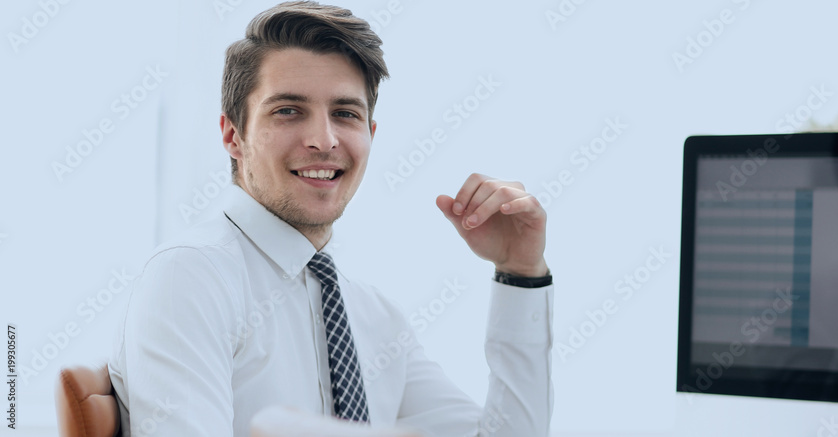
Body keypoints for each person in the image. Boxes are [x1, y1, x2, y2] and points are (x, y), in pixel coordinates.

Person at [107, 2, 554, 436]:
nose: (324, 140)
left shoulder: (374, 315)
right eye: (288, 110)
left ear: (370, 136)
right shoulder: (191, 277)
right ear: (233, 135)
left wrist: (520, 273)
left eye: (345, 114)